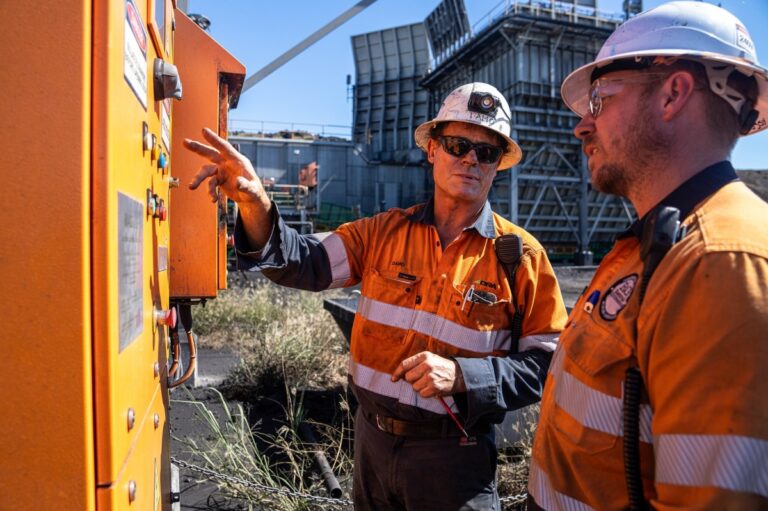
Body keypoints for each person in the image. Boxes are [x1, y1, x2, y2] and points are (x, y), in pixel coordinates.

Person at [184, 82, 567, 510]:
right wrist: (256, 203)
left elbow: (549, 362)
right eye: (459, 144)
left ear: (499, 165)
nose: (471, 159)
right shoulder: (382, 233)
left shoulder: (522, 257)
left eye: (487, 151)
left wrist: (464, 376)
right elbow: (302, 261)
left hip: (455, 462)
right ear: (433, 149)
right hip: (371, 445)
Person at [527, 2, 768, 510]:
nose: (581, 127)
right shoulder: (656, 245)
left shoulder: (721, 264)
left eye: (599, 100)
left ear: (673, 94)